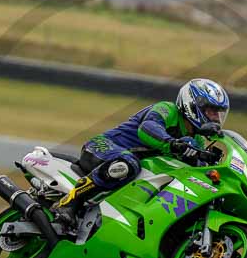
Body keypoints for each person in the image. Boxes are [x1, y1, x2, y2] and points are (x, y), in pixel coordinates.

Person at [52, 78, 230, 227]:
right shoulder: (167, 110)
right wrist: (173, 143)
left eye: (218, 114)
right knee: (128, 164)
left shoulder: (196, 140)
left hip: (133, 170)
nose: (215, 119)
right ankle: (69, 202)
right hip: (103, 147)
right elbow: (147, 128)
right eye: (211, 111)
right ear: (192, 104)